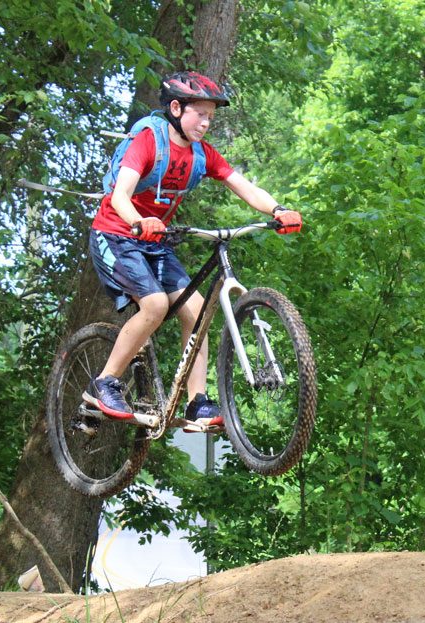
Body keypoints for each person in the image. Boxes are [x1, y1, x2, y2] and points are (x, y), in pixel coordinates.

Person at [85, 70, 303, 430]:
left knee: (198, 311)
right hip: (116, 235)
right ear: (175, 107)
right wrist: (140, 221)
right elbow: (120, 195)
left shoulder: (201, 154)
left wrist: (278, 210)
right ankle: (104, 382)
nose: (206, 123)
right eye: (199, 114)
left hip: (155, 241)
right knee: (155, 304)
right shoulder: (148, 142)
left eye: (211, 118)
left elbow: (244, 186)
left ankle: (196, 403)